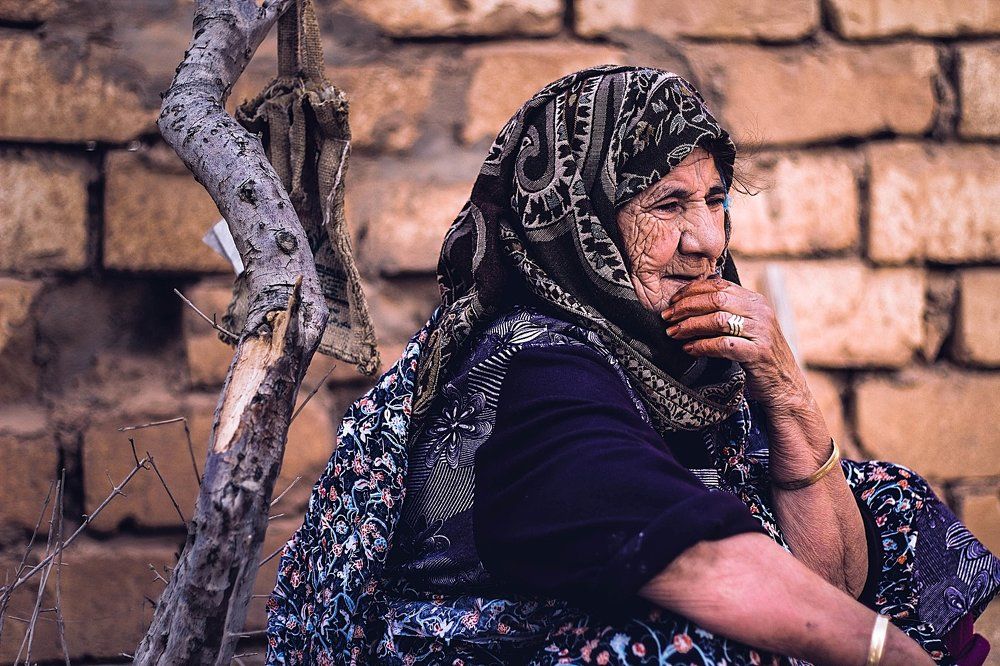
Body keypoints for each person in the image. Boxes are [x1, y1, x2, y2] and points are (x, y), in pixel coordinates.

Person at [265, 66, 1000, 665]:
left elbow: (831, 582)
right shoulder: (536, 366)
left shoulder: (688, 367)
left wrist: (785, 391)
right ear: (580, 222)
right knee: (696, 642)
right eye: (667, 203)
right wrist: (893, 657)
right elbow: (701, 564)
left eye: (714, 199)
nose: (706, 240)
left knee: (883, 505)